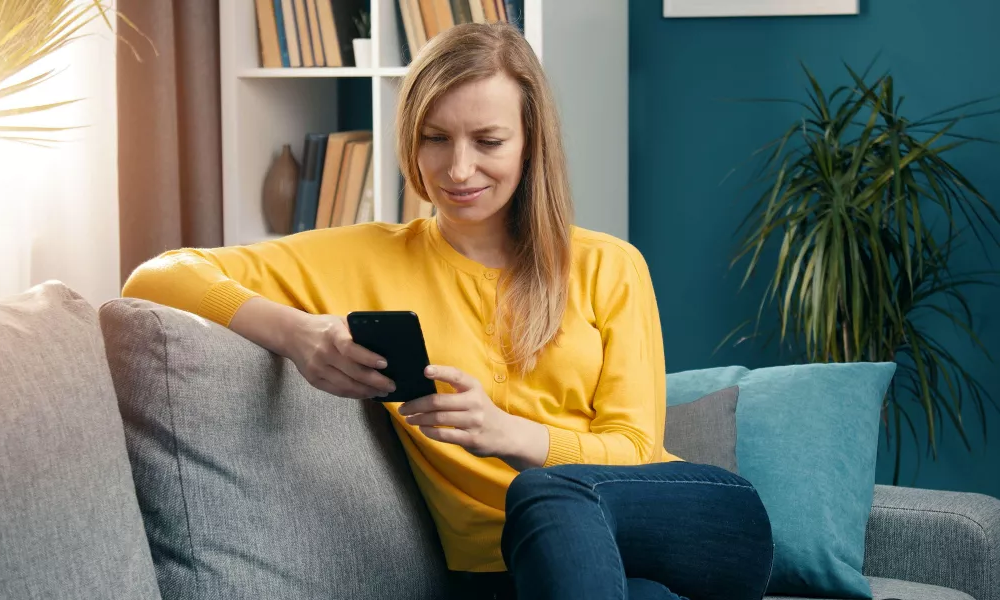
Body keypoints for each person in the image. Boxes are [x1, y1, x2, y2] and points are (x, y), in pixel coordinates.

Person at [122, 21, 773, 600]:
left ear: (529, 143)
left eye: (487, 140)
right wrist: (297, 334)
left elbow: (633, 447)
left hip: (690, 522)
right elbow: (158, 276)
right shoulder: (367, 258)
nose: (458, 169)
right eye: (436, 139)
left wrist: (506, 434)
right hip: (520, 571)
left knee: (546, 492)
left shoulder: (608, 265)